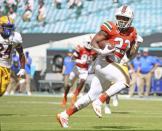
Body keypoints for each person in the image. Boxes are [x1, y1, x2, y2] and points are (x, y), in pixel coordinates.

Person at [57, 5, 140, 128]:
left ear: (131, 20)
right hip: (104, 61)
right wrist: (101, 51)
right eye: (120, 17)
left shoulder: (132, 32)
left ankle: (65, 115)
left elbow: (129, 55)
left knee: (90, 95)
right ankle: (100, 100)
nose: (122, 20)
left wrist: (136, 45)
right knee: (125, 80)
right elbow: (93, 42)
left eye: (125, 18)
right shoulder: (110, 27)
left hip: (112, 64)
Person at [61, 42, 97, 107]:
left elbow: (93, 59)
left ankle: (75, 95)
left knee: (83, 80)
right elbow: (72, 58)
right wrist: (80, 61)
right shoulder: (80, 49)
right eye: (89, 43)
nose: (90, 45)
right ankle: (65, 96)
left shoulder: (93, 52)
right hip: (76, 68)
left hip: (84, 70)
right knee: (69, 84)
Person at [0, 15, 26, 97]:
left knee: (2, 91)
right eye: (6, 27)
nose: (8, 29)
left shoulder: (16, 37)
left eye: (10, 27)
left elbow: (21, 53)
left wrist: (22, 68)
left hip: (6, 67)